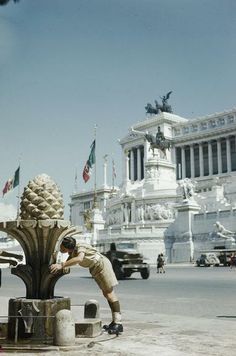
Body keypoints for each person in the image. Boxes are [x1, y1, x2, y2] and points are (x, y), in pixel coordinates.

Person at [49, 236, 123, 334]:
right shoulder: (72, 251)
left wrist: (62, 265)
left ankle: (118, 323)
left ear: (66, 247)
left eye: (62, 247)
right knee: (106, 294)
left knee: (109, 293)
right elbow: (69, 261)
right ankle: (115, 322)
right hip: (96, 268)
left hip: (102, 265)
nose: (60, 248)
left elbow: (79, 259)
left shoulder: (80, 246)